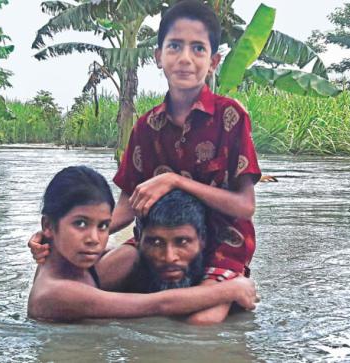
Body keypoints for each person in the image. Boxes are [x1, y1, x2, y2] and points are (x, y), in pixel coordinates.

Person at [31, 0, 262, 324]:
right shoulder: (145, 127)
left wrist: (177, 181)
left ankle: (231, 286)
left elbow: (245, 206)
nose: (185, 58)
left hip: (222, 246)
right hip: (152, 240)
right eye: (175, 46)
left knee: (200, 325)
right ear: (158, 56)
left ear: (213, 61)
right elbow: (128, 208)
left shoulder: (231, 117)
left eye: (197, 49)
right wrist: (57, 237)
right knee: (86, 279)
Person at [28, 166, 257, 322]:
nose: (93, 239)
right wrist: (231, 289)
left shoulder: (59, 254)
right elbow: (157, 305)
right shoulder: (55, 293)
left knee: (130, 258)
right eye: (80, 223)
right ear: (48, 225)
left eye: (103, 226)